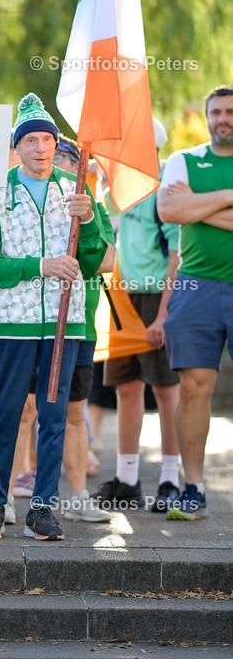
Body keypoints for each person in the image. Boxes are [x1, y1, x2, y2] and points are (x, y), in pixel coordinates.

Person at [0, 93, 106, 541]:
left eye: (48, 139)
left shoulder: (77, 191)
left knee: (54, 416)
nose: (41, 147)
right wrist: (39, 266)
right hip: (14, 323)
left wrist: (87, 223)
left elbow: (94, 260)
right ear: (17, 147)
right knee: (7, 413)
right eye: (31, 140)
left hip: (66, 326)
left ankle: (43, 508)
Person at [92, 118, 181, 513]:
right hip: (120, 297)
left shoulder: (167, 189)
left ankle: (170, 479)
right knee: (126, 387)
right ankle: (127, 478)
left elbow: (178, 256)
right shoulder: (117, 190)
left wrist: (163, 315)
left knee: (165, 390)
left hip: (156, 298)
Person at [157, 85, 233, 521]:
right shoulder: (184, 159)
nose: (223, 118)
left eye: (230, 112)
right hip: (196, 285)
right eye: (217, 111)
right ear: (207, 117)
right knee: (194, 387)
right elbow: (169, 209)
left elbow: (184, 207)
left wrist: (197, 205)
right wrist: (226, 197)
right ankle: (194, 486)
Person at [52, 136, 113, 524]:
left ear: (80, 167)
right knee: (22, 412)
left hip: (78, 326)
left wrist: (85, 222)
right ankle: (1, 500)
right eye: (54, 156)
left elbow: (106, 260)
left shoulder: (92, 205)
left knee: (74, 414)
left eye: (67, 158)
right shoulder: (20, 199)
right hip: (30, 326)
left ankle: (76, 497)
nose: (59, 163)